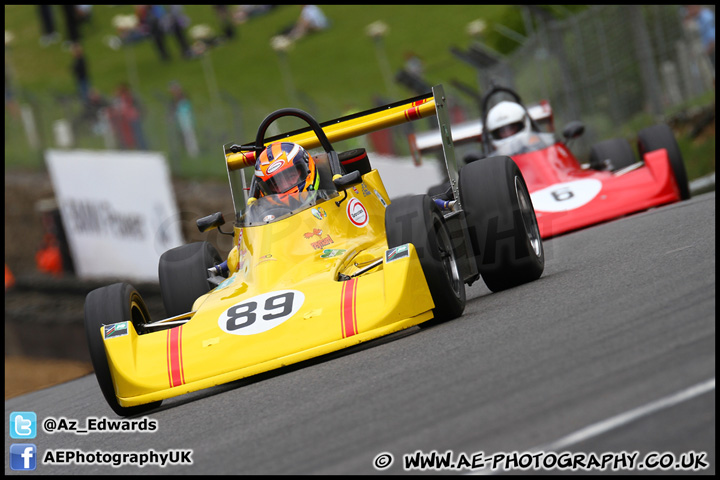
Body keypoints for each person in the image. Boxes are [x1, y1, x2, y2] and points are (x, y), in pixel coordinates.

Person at [485, 100, 554, 155]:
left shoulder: (546, 143)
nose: (508, 133)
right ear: (495, 134)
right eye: (502, 131)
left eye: (511, 128)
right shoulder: (494, 162)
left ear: (522, 124)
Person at [685, 5, 715, 69]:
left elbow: (712, 40)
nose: (688, 12)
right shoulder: (697, 19)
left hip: (712, 52)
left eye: (689, 9)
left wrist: (704, 54)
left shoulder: (705, 17)